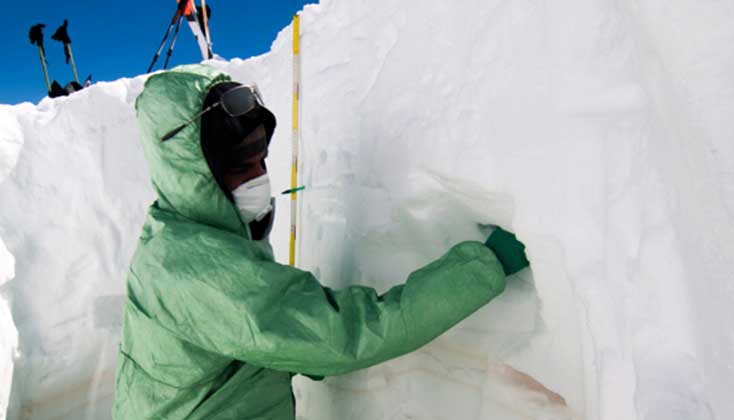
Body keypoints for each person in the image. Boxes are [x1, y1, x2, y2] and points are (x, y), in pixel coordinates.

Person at [112, 64, 530, 420]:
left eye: (261, 158)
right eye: (241, 165)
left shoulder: (183, 229)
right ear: (192, 172)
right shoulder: (191, 267)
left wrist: (289, 337)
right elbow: (340, 336)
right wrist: (482, 267)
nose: (258, 175)